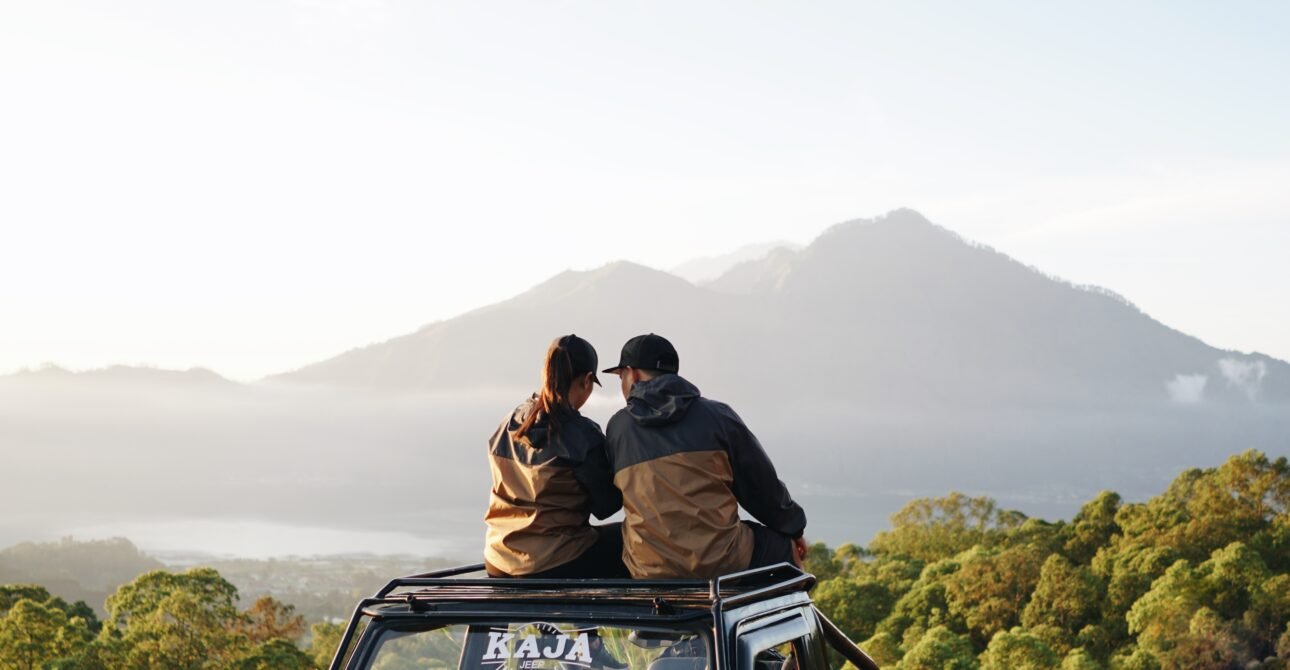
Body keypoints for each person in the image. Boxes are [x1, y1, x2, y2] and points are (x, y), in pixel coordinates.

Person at [602, 333, 808, 579]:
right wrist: (794, 528)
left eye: (621, 376)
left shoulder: (618, 428)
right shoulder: (718, 416)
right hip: (722, 561)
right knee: (784, 549)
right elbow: (761, 488)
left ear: (632, 374)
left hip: (649, 568)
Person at [484, 334, 628, 579]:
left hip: (498, 559)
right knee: (632, 539)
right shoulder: (582, 435)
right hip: (550, 563)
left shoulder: (511, 421)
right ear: (587, 380)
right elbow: (607, 506)